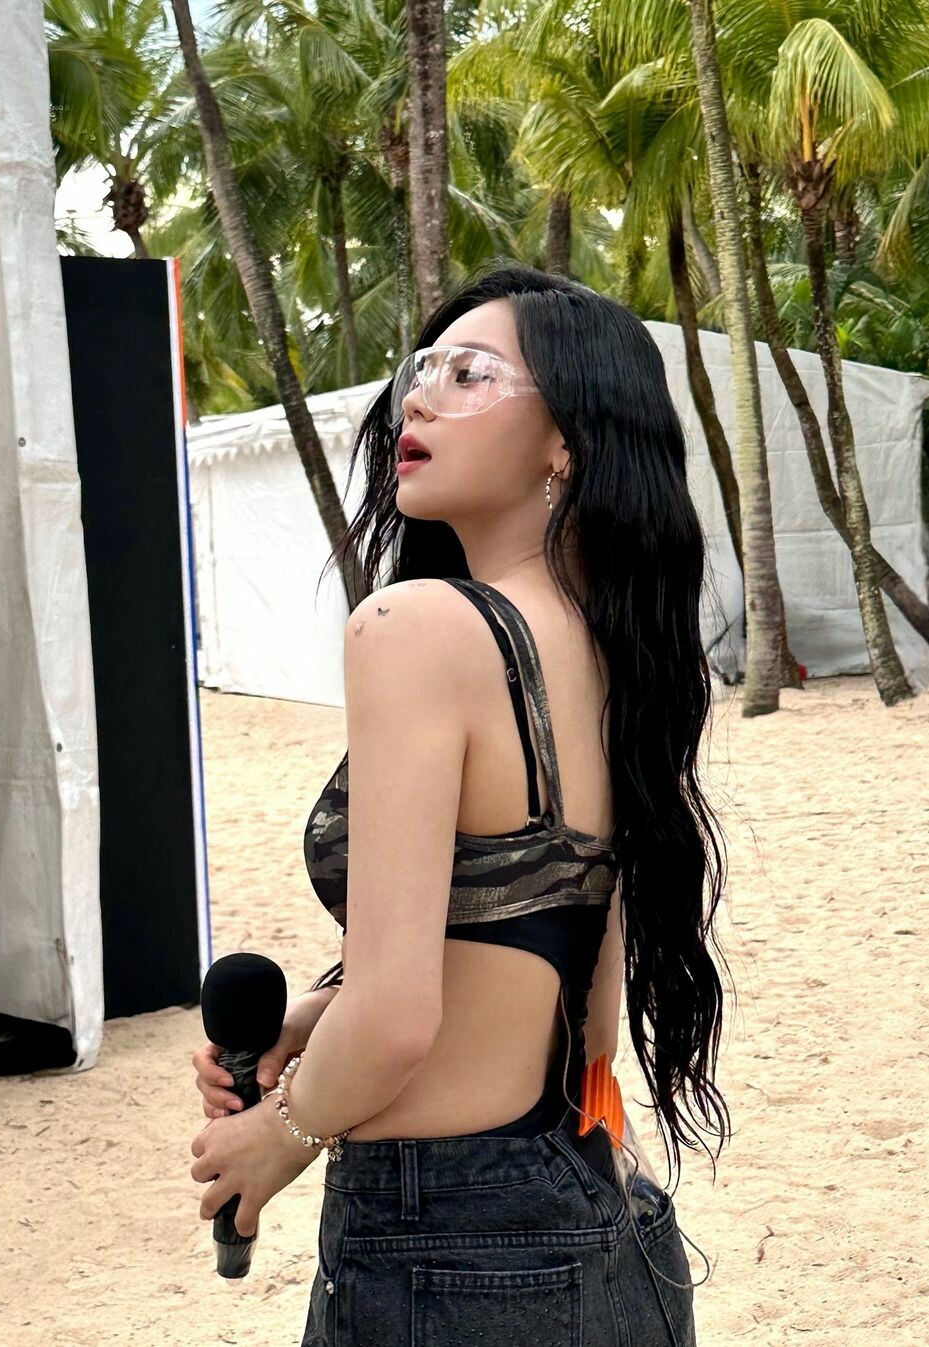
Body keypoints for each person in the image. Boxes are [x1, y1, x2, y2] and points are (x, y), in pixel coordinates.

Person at [190, 262, 732, 1346]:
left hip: (448, 1245)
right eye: (422, 371)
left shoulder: (419, 629)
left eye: (471, 374)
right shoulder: (626, 653)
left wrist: (281, 1133)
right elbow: (569, 993)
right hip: (605, 1214)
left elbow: (398, 1018)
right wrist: (310, 1019)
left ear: (565, 441)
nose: (421, 400)